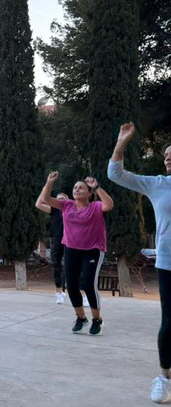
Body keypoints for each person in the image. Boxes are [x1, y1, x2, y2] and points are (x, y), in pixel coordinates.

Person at [107, 122, 171, 403]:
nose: (167, 158)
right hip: (168, 264)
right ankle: (164, 377)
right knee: (169, 323)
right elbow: (116, 173)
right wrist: (121, 142)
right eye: (166, 155)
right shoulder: (158, 184)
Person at [38, 171, 113, 336]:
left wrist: (97, 186)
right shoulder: (67, 205)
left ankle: (96, 319)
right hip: (71, 249)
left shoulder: (95, 206)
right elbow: (45, 199)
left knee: (87, 284)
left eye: (81, 187)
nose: (77, 189)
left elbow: (109, 204)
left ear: (89, 193)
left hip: (93, 250)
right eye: (75, 187)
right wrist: (49, 182)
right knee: (71, 286)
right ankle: (81, 318)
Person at [35, 191, 69, 304]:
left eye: (62, 198)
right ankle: (58, 291)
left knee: (70, 265)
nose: (60, 200)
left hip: (70, 239)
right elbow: (38, 204)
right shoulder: (53, 209)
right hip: (55, 239)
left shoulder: (71, 209)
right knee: (56, 265)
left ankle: (73, 291)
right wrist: (44, 191)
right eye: (58, 199)